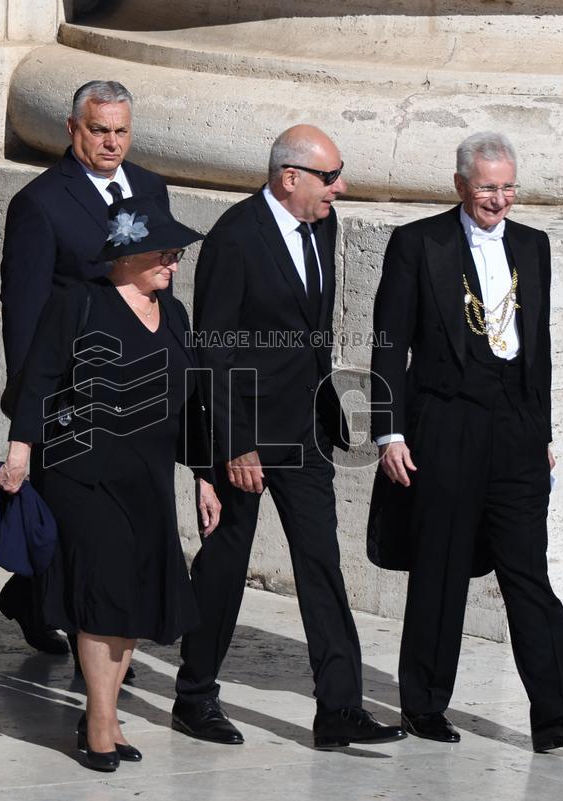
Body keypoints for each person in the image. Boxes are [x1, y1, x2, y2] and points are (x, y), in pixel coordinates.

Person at [369, 131, 563, 753]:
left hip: (518, 430)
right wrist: (389, 431)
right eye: (486, 187)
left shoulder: (535, 245)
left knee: (528, 571)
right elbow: (390, 343)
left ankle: (556, 714)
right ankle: (422, 705)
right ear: (459, 186)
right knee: (442, 570)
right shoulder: (417, 243)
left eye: (507, 186)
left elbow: (542, 348)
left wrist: (544, 431)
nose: (498, 199)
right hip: (444, 425)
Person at [172, 125, 405, 750]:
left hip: (303, 432)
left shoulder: (323, 226)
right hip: (243, 435)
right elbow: (212, 350)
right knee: (225, 562)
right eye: (330, 176)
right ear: (289, 177)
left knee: (321, 563)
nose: (341, 187)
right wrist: (234, 443)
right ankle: (194, 695)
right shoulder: (234, 238)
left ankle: (339, 709)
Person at [0, 195, 220, 772]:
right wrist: (19, 452)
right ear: (126, 254)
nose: (174, 264)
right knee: (103, 595)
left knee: (135, 596)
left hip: (146, 478)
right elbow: (40, 378)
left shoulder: (174, 314)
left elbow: (190, 401)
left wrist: (203, 476)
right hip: (82, 473)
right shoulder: (79, 304)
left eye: (176, 254)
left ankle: (107, 712)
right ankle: (98, 720)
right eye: (165, 254)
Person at [0, 80, 169, 659]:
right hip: (73, 393)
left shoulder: (150, 187)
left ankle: (33, 601)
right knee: (86, 531)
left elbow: (155, 285)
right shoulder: (40, 203)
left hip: (137, 394)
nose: (111, 142)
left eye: (121, 131)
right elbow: (23, 313)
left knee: (111, 529)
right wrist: (31, 406)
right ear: (73, 129)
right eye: (99, 130)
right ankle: (96, 649)